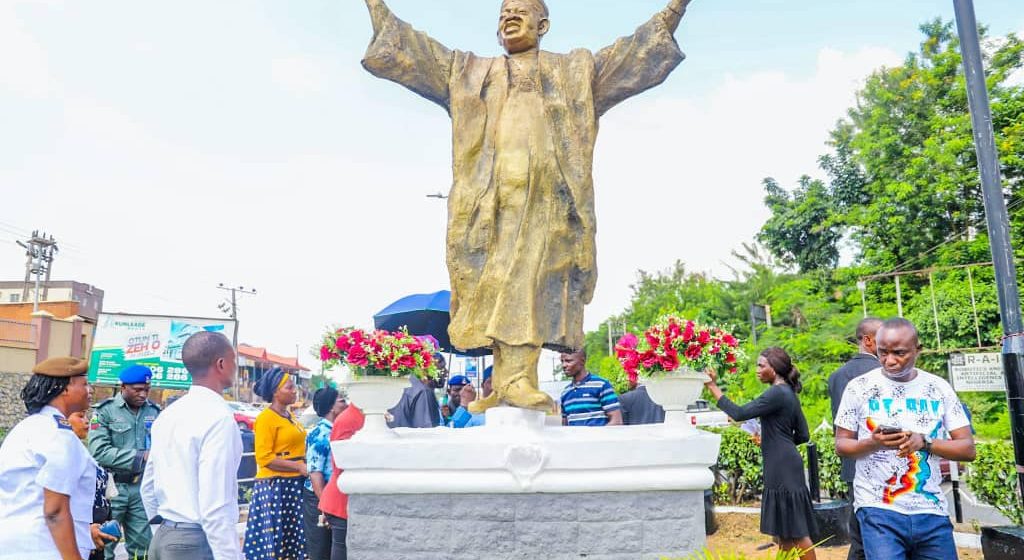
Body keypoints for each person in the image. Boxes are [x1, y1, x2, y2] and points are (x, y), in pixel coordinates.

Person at [359, 0, 694, 412]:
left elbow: (630, 56)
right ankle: (505, 381)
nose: (508, 18)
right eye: (503, 13)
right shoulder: (469, 73)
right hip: (486, 202)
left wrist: (674, 10)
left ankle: (517, 378)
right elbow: (416, 50)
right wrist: (376, 5)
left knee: (530, 279)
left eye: (519, 11)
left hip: (547, 202)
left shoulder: (573, 73)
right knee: (493, 282)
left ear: (544, 24)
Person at [834, 318, 975, 560]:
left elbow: (967, 449)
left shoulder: (938, 388)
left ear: (917, 350)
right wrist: (873, 442)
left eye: (899, 353)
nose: (890, 360)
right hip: (878, 510)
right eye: (882, 352)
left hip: (931, 511)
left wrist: (926, 443)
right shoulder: (859, 388)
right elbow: (841, 444)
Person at [704, 348, 817, 559]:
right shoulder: (789, 393)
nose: (757, 370)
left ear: (774, 369)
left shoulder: (776, 393)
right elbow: (803, 434)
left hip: (780, 466)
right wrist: (775, 441)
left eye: (761, 365)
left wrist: (711, 385)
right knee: (785, 533)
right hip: (785, 462)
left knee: (797, 533)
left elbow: (738, 413)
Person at [141, 331, 243, 560]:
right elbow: (215, 504)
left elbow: (147, 488)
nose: (235, 367)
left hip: (165, 535)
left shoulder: (168, 415)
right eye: (234, 360)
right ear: (221, 364)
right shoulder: (219, 418)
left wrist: (165, 534)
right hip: (196, 541)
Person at [0, 357, 113, 560]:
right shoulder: (59, 435)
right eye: (85, 384)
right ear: (65, 388)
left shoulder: (27, 427)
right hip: (45, 548)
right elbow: (55, 510)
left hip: (15, 545)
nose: (90, 390)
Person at [88, 364, 162, 560]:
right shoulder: (105, 412)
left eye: (147, 389)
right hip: (112, 489)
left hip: (141, 488)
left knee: (144, 548)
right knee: (105, 545)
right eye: (137, 389)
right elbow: (98, 451)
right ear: (123, 388)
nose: (143, 394)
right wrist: (140, 457)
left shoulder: (154, 412)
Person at [826, 317, 882, 560]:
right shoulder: (886, 372)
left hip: (852, 462)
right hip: (886, 464)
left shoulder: (837, 376)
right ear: (868, 340)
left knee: (859, 535)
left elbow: (840, 427)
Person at [243, 367, 308, 560]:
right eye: (289, 387)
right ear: (275, 392)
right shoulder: (265, 419)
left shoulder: (290, 417)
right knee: (274, 543)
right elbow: (264, 458)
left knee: (293, 541)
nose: (295, 391)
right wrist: (297, 466)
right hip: (276, 486)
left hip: (293, 484)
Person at [303, 388, 347, 560]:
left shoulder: (336, 431)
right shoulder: (320, 434)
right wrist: (325, 507)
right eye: (341, 401)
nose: (346, 404)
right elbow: (315, 474)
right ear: (331, 408)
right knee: (320, 550)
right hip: (318, 498)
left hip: (330, 498)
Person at [319, 403, 366, 560]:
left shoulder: (357, 415)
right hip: (342, 498)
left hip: (345, 497)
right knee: (342, 550)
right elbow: (341, 463)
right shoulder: (349, 419)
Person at [70, 412, 117, 560]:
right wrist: (83, 532)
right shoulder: (63, 454)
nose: (87, 422)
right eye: (80, 416)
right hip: (80, 532)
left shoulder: (81, 450)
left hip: (96, 529)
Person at [559, 349, 622, 426]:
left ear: (582, 361)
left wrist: (599, 436)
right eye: (562, 361)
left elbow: (616, 420)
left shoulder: (601, 385)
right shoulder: (565, 393)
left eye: (568, 361)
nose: (564, 365)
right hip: (574, 438)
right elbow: (565, 426)